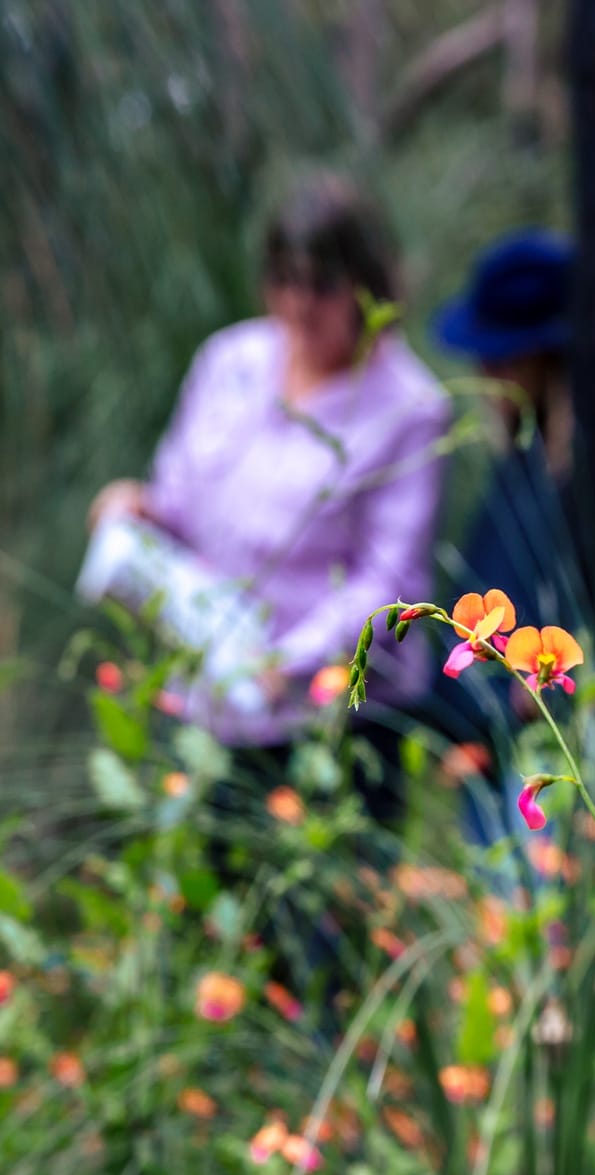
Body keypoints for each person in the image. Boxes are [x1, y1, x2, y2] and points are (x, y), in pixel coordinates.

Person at [89, 171, 447, 799]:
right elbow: (178, 499)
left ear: (368, 284)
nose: (299, 304)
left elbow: (389, 582)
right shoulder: (230, 361)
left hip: (332, 719)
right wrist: (133, 508)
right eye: (284, 279)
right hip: (209, 701)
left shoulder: (410, 406)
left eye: (322, 284)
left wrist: (292, 661)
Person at [426, 230, 595, 850]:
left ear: (548, 357)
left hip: (572, 754)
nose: (485, 371)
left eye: (503, 355)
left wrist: (544, 689)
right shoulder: (527, 454)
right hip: (502, 756)